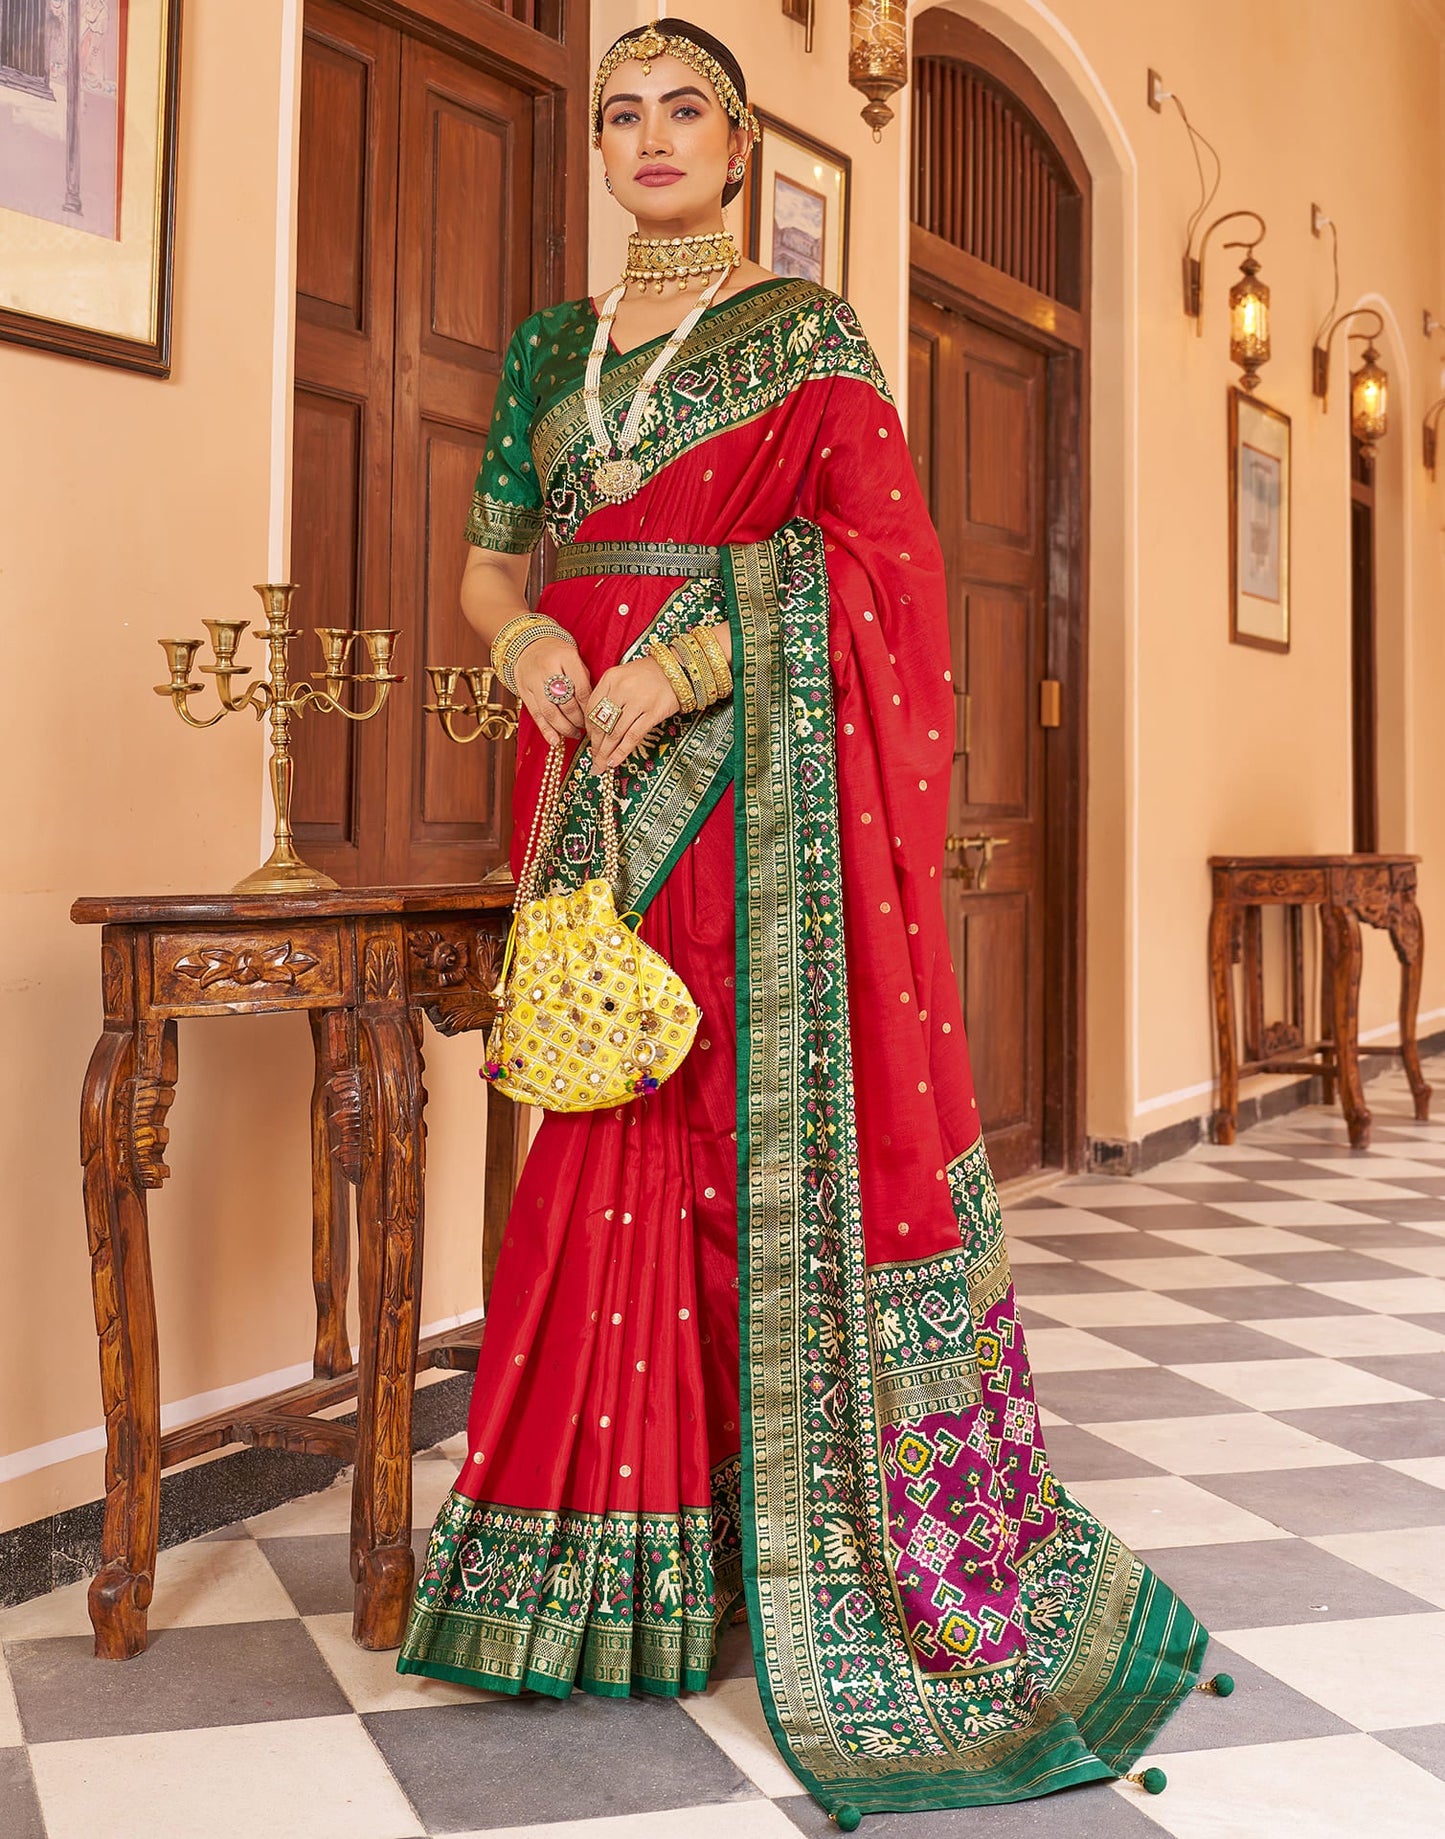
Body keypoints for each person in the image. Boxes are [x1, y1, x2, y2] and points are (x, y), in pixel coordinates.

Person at [399, 19, 1220, 1825]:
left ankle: (799, 1536)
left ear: (740, 135)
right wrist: (525, 638)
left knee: (739, 1139)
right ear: (597, 153)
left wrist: (695, 656)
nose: (645, 138)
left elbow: (882, 572)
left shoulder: (809, 342)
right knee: (598, 1119)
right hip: (587, 791)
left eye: (681, 107)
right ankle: (601, 1561)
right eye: (618, 116)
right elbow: (487, 559)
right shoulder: (553, 348)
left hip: (755, 801)